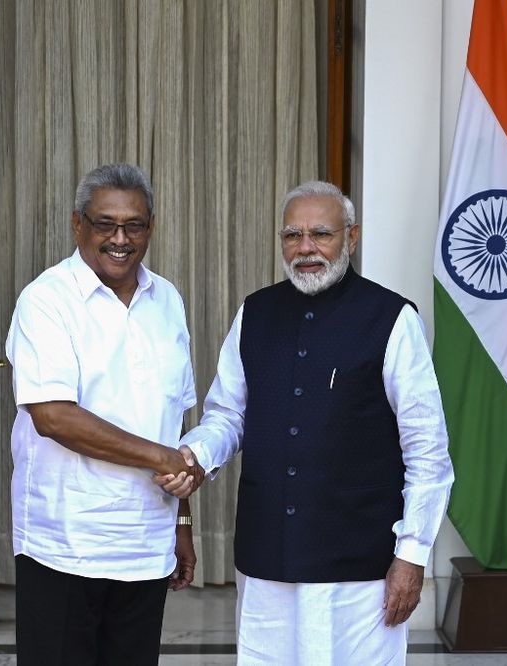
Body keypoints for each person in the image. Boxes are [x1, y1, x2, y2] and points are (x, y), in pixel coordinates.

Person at [159, 181, 454, 664]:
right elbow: (227, 416)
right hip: (267, 558)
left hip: (360, 564)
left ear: (351, 239)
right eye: (292, 236)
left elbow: (427, 449)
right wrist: (195, 455)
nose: (306, 248)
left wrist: (413, 554)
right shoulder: (255, 313)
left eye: (321, 234)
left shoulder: (392, 319)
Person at [6, 163, 203, 666]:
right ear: (79, 226)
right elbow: (52, 415)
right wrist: (163, 457)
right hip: (64, 545)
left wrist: (181, 522)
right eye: (105, 225)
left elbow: (171, 418)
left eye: (133, 225)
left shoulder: (167, 301)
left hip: (143, 546)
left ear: (150, 228)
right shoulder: (46, 300)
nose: (120, 239)